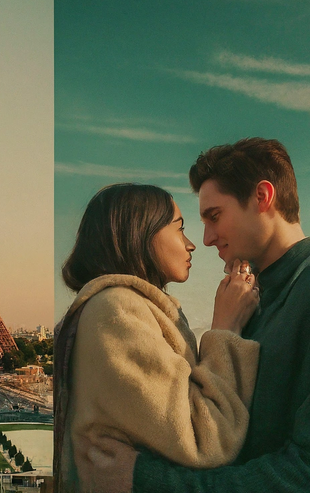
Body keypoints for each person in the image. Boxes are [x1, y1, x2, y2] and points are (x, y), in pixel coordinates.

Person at [92, 137, 310, 492]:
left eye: (214, 216)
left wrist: (144, 479)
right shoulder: (248, 299)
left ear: (262, 197)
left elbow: (303, 474)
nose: (206, 239)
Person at [54, 183, 260, 493]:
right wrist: (226, 329)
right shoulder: (117, 310)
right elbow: (206, 439)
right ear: (140, 234)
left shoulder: (119, 309)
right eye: (179, 229)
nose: (191, 244)